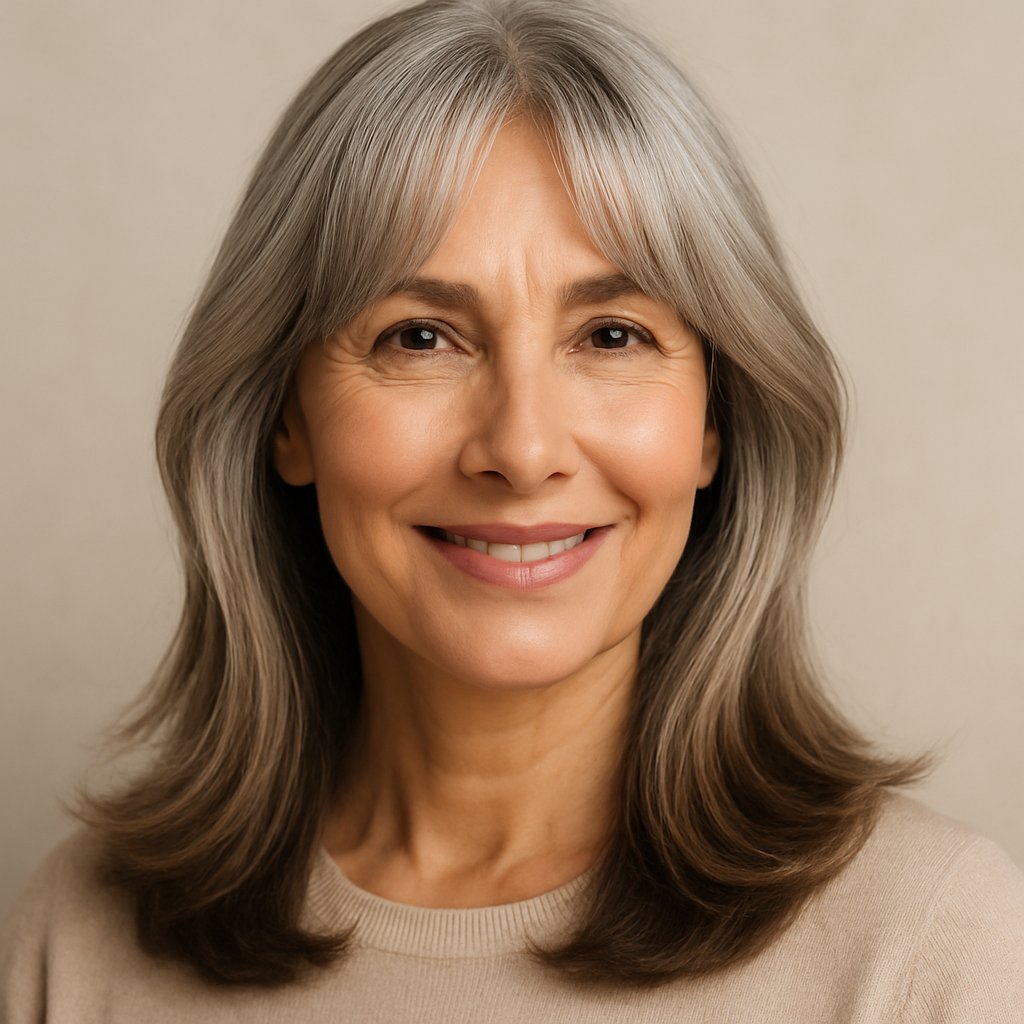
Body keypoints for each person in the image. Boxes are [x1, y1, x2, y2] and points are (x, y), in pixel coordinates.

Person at [3, 0, 1023, 1019]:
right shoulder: (79, 942)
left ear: (715, 418)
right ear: (286, 418)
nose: (523, 448)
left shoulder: (930, 947)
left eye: (612, 336)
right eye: (419, 337)